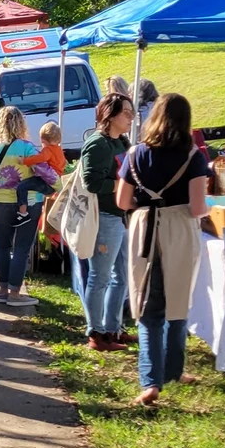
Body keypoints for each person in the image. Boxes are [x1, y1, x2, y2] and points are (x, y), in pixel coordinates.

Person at [116, 92, 210, 407]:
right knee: (178, 302)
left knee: (148, 305)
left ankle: (151, 380)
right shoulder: (193, 155)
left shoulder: (135, 153)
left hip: (145, 228)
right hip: (179, 228)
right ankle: (172, 370)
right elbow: (197, 207)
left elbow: (122, 201)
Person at [0, 105, 59, 305]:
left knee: (2, 246)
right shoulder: (27, 148)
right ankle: (15, 293)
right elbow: (46, 173)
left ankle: (2, 289)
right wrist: (58, 185)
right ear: (21, 124)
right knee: (21, 247)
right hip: (29, 203)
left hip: (2, 202)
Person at [75, 94, 134, 352]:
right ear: (110, 115)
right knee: (99, 277)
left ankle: (114, 329)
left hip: (120, 217)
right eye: (126, 113)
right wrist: (123, 185)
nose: (131, 117)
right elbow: (92, 183)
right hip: (104, 218)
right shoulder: (98, 144)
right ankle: (96, 334)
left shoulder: (121, 141)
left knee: (121, 276)